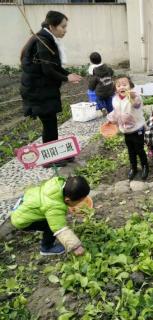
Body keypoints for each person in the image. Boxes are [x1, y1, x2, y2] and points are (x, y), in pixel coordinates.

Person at [20, 11, 82, 168]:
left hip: (43, 89)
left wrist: (68, 74)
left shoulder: (46, 38)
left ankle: (55, 154)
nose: (65, 30)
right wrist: (66, 78)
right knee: (49, 123)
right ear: (52, 26)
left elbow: (54, 66)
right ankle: (49, 159)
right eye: (63, 26)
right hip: (38, 91)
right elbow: (47, 70)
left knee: (51, 122)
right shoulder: (43, 40)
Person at [10, 176, 90, 256]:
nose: (80, 203)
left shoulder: (56, 183)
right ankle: (46, 248)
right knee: (50, 226)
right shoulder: (54, 207)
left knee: (51, 219)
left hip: (22, 209)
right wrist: (76, 247)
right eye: (79, 201)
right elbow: (59, 228)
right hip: (21, 221)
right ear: (67, 200)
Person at [107, 75, 148, 180]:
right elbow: (116, 111)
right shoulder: (115, 99)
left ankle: (145, 166)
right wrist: (111, 119)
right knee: (131, 150)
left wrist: (133, 98)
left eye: (124, 85)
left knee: (139, 149)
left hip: (137, 128)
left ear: (130, 86)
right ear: (115, 88)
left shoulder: (135, 96)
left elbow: (137, 105)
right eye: (118, 85)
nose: (122, 87)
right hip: (125, 129)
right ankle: (133, 167)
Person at [87, 52, 114, 117]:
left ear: (91, 61)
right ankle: (111, 111)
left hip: (100, 91)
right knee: (109, 99)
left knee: (98, 99)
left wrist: (91, 88)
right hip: (110, 88)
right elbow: (112, 72)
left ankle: (103, 108)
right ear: (100, 59)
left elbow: (92, 81)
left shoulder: (93, 70)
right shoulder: (107, 68)